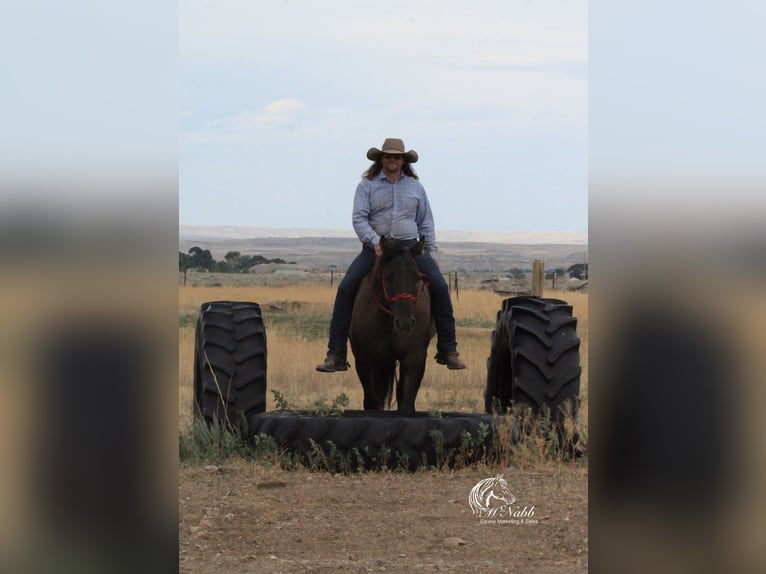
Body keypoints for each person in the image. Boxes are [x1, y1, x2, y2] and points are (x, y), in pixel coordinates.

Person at [316, 138, 466, 372]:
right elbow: (359, 218)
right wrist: (375, 241)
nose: (392, 159)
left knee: (438, 285)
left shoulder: (416, 188)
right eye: (388, 156)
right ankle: (336, 353)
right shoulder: (367, 186)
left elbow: (426, 222)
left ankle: (448, 348)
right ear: (381, 159)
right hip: (377, 250)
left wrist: (432, 252)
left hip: (411, 249)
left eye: (397, 156)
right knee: (346, 288)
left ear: (403, 160)